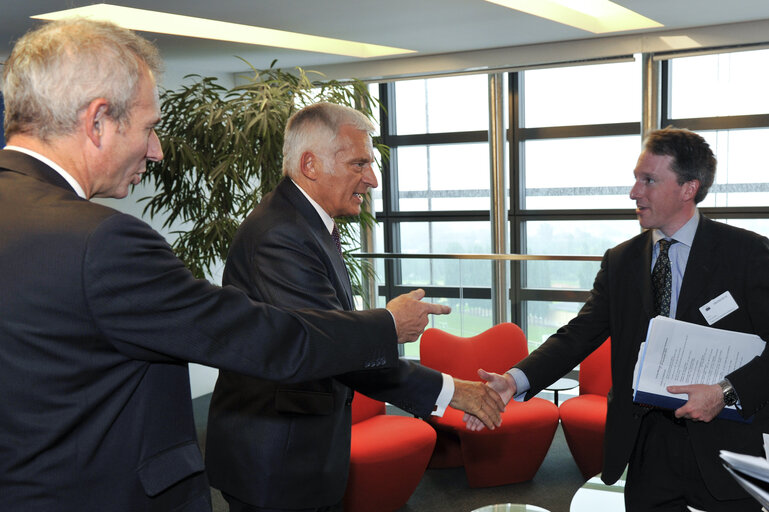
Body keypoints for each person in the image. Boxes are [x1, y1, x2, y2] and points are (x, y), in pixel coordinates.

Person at [0, 19, 452, 511]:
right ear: (98, 120)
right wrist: (388, 323)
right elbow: (258, 336)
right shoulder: (101, 240)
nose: (157, 150)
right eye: (150, 128)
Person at [205, 102, 507, 512]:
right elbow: (331, 346)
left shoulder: (305, 225)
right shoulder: (281, 236)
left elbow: (337, 342)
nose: (373, 180)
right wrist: (436, 375)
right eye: (359, 164)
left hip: (297, 454)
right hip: (277, 463)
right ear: (310, 165)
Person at [473, 128, 769, 511]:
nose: (634, 192)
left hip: (726, 442)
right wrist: (515, 380)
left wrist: (725, 391)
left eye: (649, 180)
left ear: (688, 188)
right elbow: (578, 335)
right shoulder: (621, 260)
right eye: (635, 178)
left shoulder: (747, 254)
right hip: (645, 442)